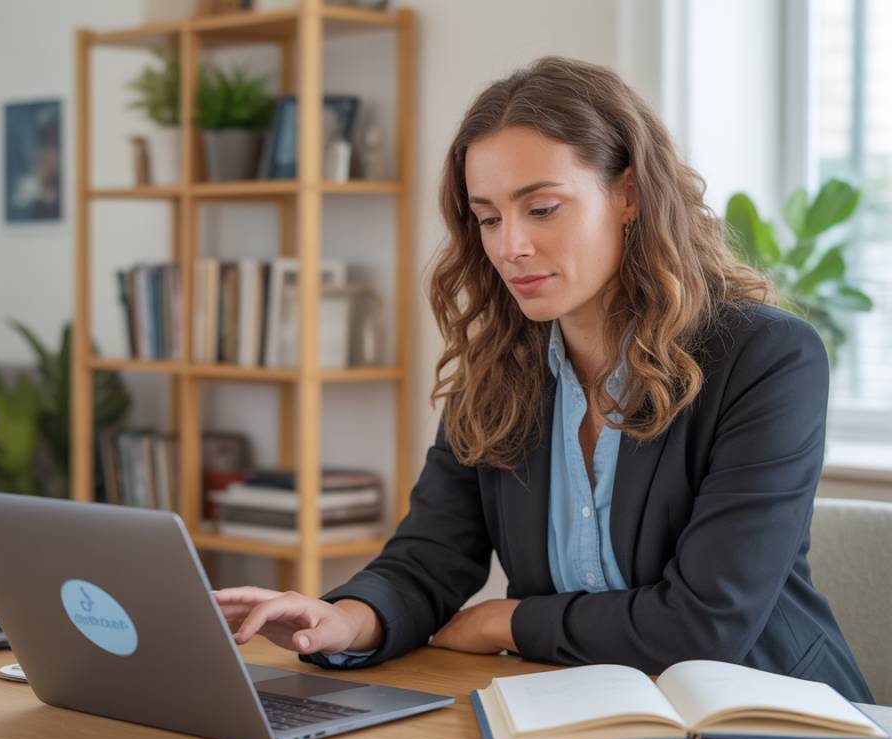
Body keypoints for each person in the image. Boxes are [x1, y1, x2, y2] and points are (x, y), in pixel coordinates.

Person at [214, 56, 874, 704]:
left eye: (543, 209)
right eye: (489, 217)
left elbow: (704, 624)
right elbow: (429, 557)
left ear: (628, 196)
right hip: (581, 717)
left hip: (775, 718)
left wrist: (506, 621)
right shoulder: (499, 369)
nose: (510, 247)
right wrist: (343, 619)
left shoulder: (768, 358)